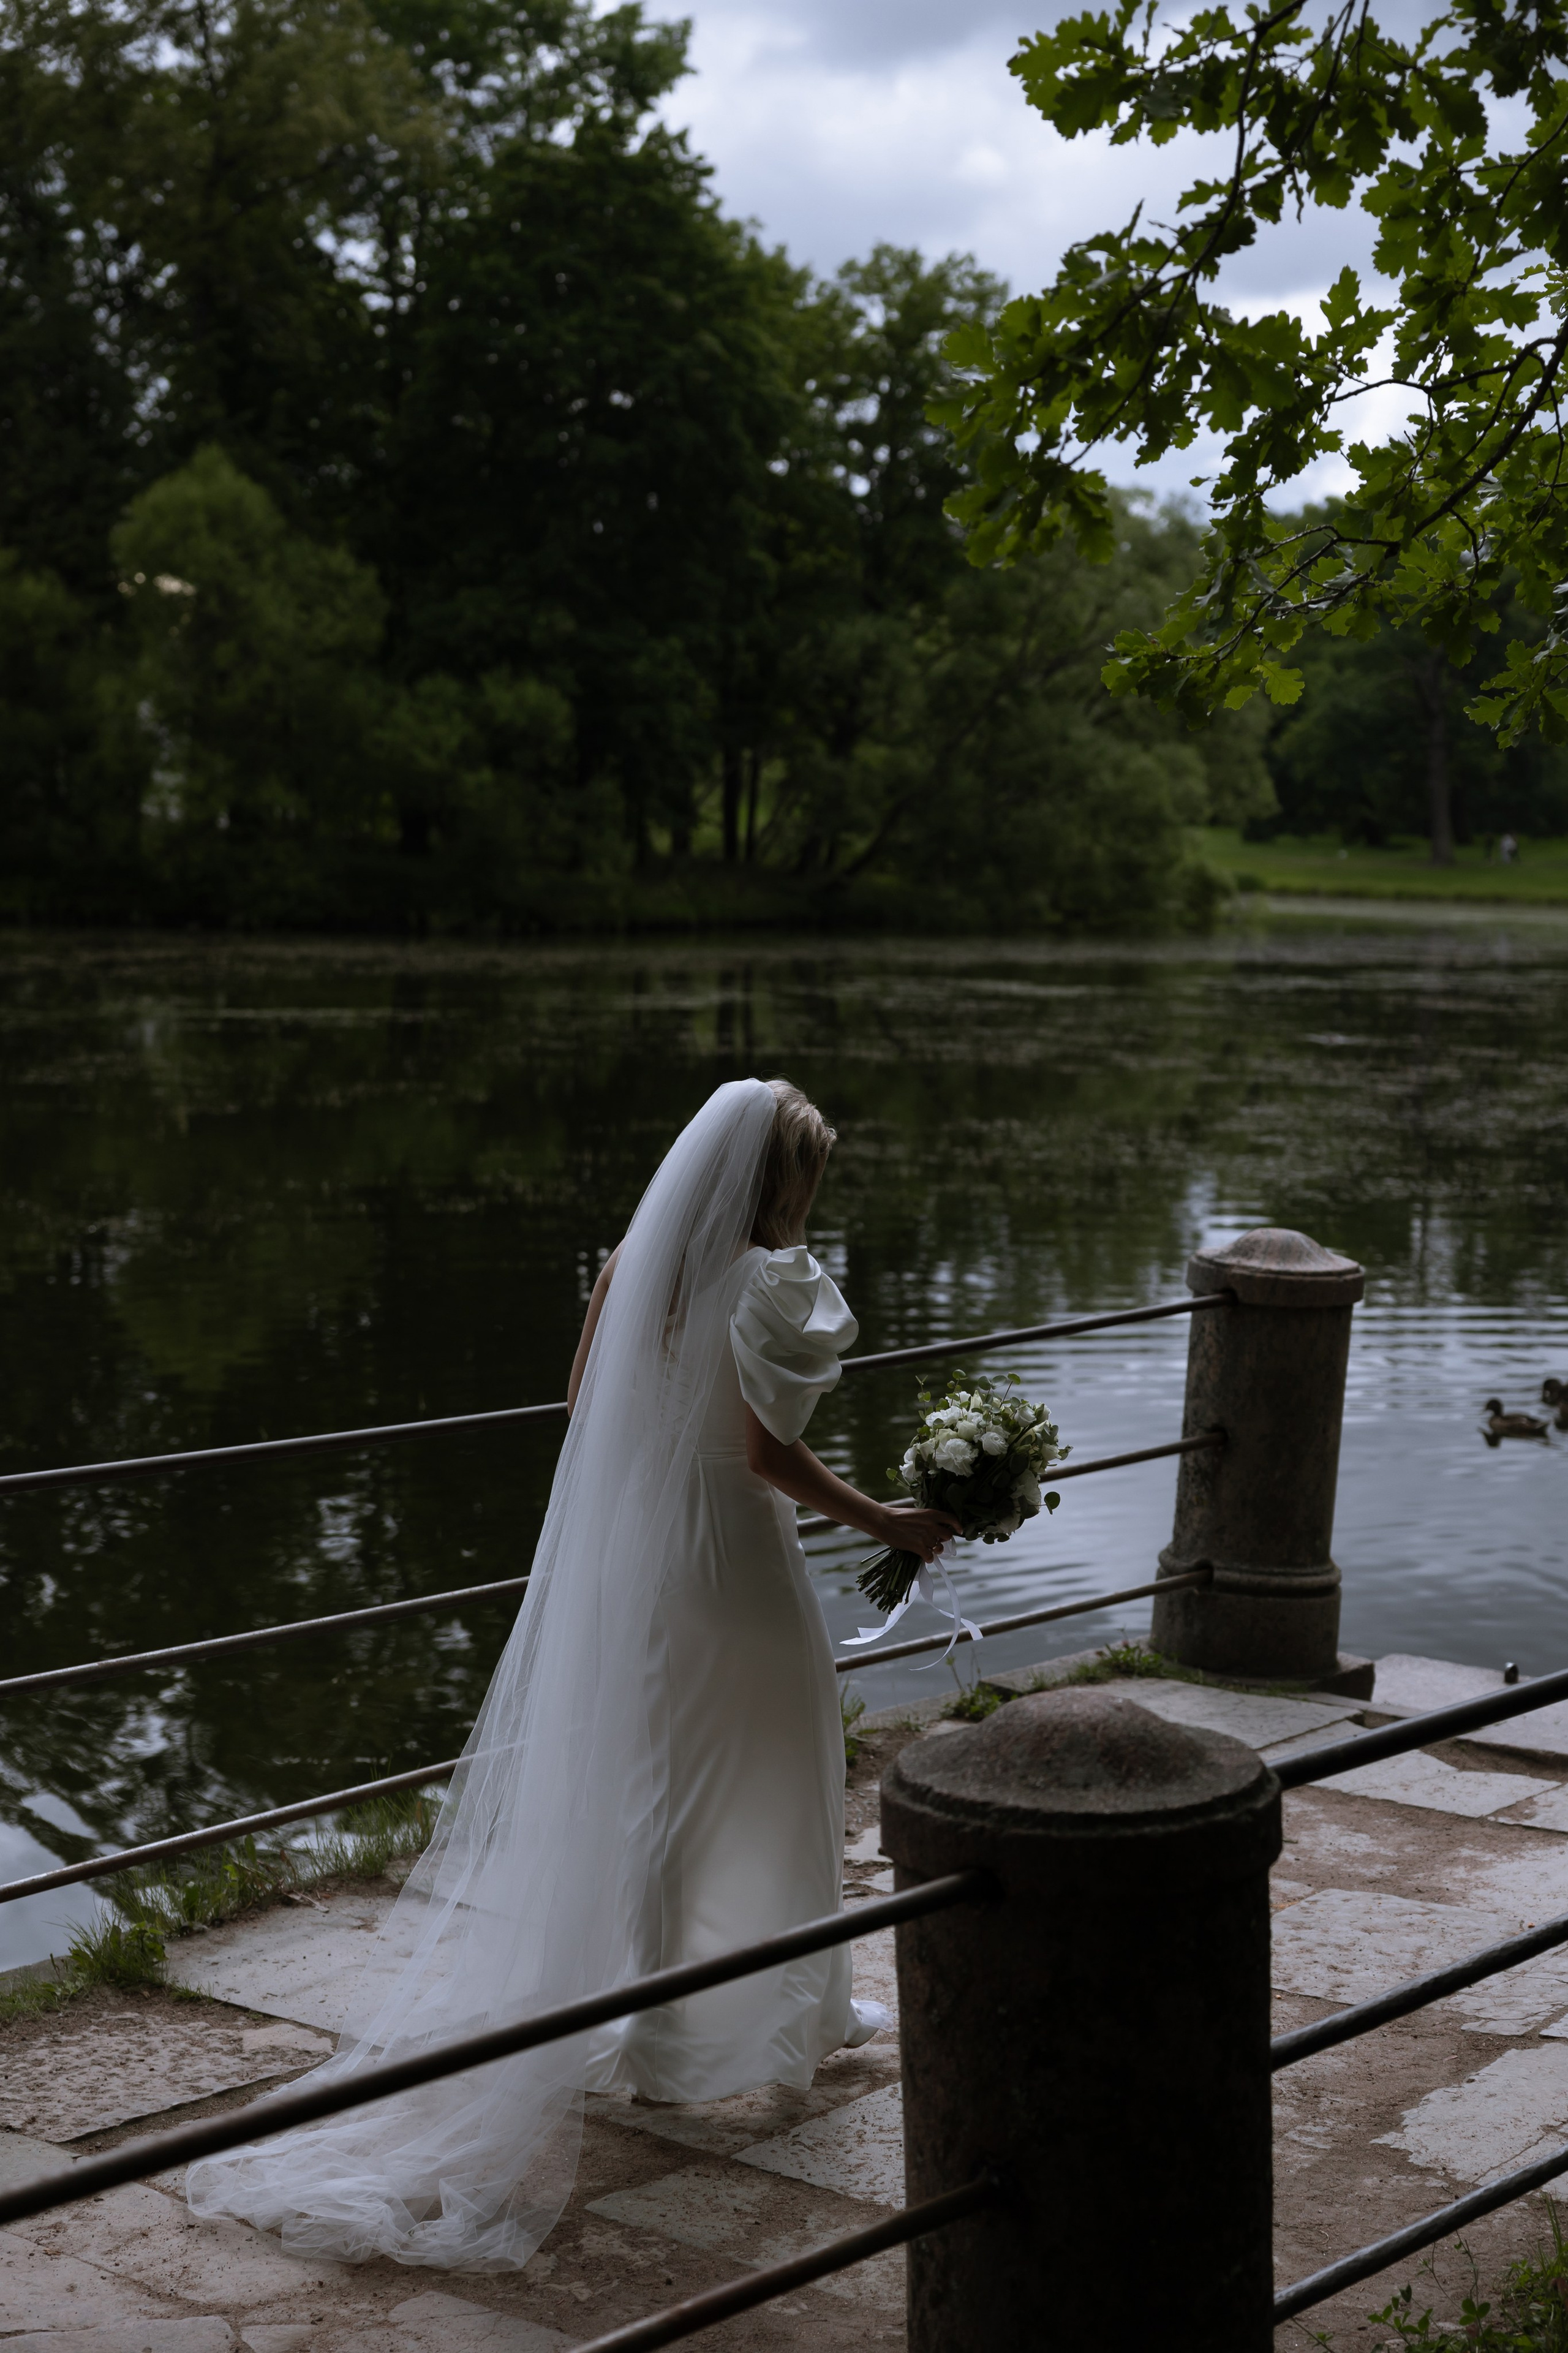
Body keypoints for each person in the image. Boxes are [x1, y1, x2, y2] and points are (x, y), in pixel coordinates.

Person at [186, 1076, 956, 2270]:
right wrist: (888, 1521)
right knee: (766, 1774)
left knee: (657, 1784)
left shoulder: (630, 1264)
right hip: (730, 1566)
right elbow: (763, 1451)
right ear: (780, 1183)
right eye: (809, 1179)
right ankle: (758, 2014)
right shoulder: (764, 1282)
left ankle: (636, 2019)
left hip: (643, 1559)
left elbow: (577, 1403)